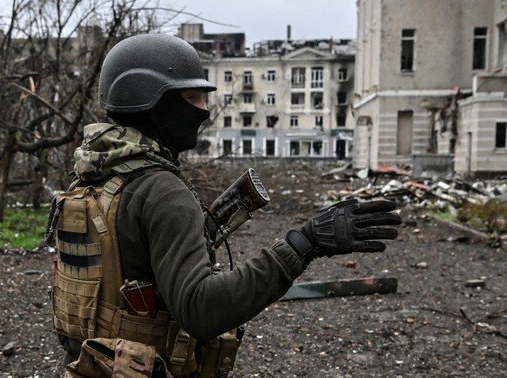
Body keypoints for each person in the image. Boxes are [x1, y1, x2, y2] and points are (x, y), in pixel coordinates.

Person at [48, 33, 401, 377]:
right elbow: (200, 309)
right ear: (152, 102)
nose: (204, 109)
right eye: (192, 96)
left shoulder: (94, 175)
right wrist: (304, 243)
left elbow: (126, 266)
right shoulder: (161, 189)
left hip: (90, 364)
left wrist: (205, 232)